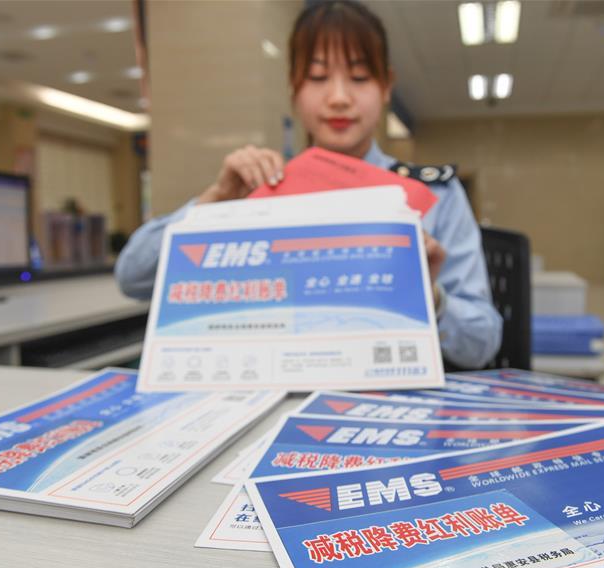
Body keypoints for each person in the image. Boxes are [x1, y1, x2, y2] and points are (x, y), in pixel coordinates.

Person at [115, 0, 502, 369]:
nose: (338, 98)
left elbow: (483, 342)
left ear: (386, 86)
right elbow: (133, 278)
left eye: (359, 77)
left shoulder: (436, 198)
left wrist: (429, 295)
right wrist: (215, 202)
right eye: (317, 77)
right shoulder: (264, 190)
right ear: (293, 88)